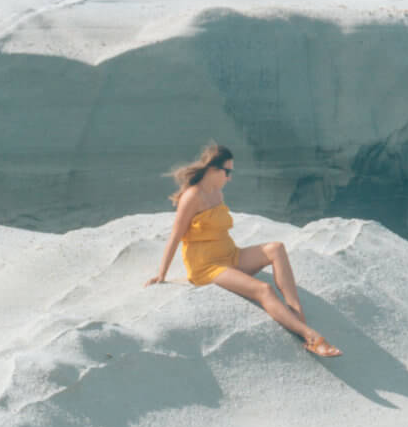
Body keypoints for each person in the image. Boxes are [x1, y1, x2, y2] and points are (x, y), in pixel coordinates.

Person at [144, 143, 341, 356]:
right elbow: (176, 235)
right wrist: (161, 274)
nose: (229, 177)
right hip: (207, 267)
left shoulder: (216, 192)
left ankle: (296, 316)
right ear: (213, 169)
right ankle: (311, 337)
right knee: (263, 290)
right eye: (227, 171)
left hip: (231, 255)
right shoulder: (192, 197)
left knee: (276, 248)